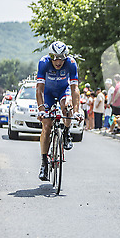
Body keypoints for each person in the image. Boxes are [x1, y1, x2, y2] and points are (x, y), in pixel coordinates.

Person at [36, 41, 83, 181]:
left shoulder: (71, 63)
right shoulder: (43, 62)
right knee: (46, 125)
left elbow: (75, 89)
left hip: (64, 90)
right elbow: (39, 89)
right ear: (50, 56)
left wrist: (77, 110)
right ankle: (44, 163)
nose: (58, 61)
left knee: (67, 106)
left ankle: (67, 133)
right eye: (55, 57)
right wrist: (41, 109)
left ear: (66, 57)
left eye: (61, 57)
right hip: (48, 94)